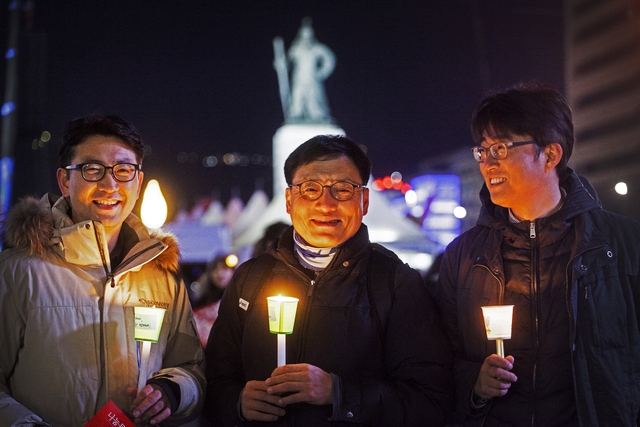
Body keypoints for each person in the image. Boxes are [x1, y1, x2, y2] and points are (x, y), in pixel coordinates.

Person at [204, 134, 452, 426]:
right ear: (288, 199)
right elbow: (214, 379)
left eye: (343, 189)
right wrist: (237, 402)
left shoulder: (395, 283)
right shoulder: (250, 278)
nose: (325, 203)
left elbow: (430, 400)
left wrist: (339, 394)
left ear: (365, 199)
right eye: (310, 188)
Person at [431, 81, 640, 426]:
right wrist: (474, 382)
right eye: (482, 151)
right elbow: (437, 361)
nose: (487, 163)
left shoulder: (623, 246)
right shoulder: (464, 256)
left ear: (551, 155)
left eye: (500, 148)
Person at [0, 114, 206, 426]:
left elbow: (192, 367)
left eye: (123, 171)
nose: (109, 185)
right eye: (92, 169)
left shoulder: (162, 275)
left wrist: (172, 391)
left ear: (137, 182)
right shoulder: (17, 272)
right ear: (65, 181)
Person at [192, 253, 237, 347]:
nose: (220, 273)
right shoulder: (199, 302)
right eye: (216, 268)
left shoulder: (238, 301)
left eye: (225, 268)